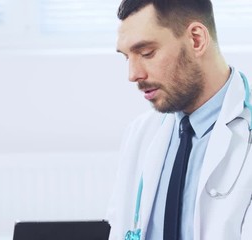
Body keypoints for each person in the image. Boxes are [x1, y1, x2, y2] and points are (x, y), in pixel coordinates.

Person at [107, 0, 252, 239]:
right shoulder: (141, 134)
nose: (133, 75)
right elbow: (118, 226)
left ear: (196, 39)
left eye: (146, 53)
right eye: (126, 57)